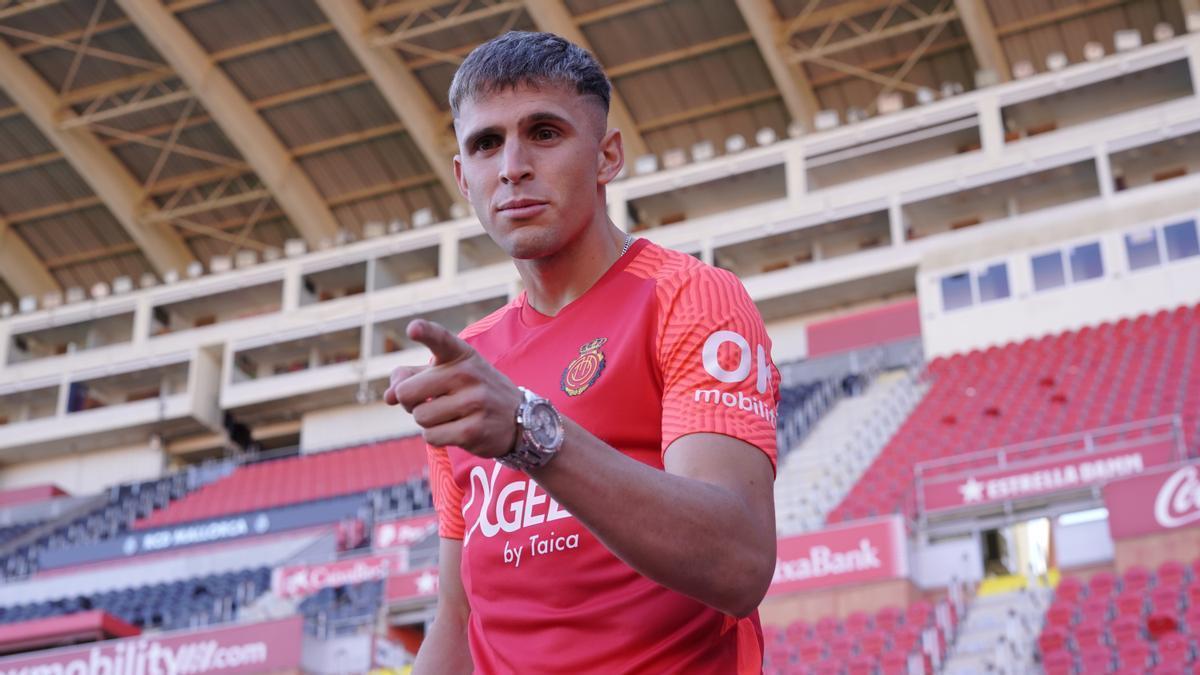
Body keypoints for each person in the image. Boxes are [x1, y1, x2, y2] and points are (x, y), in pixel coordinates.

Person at [384, 31, 780, 673]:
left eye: (544, 132)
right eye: (486, 143)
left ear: (607, 155)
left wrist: (527, 431)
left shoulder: (689, 298)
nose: (511, 165)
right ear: (463, 177)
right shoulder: (469, 362)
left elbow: (738, 562)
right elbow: (459, 620)